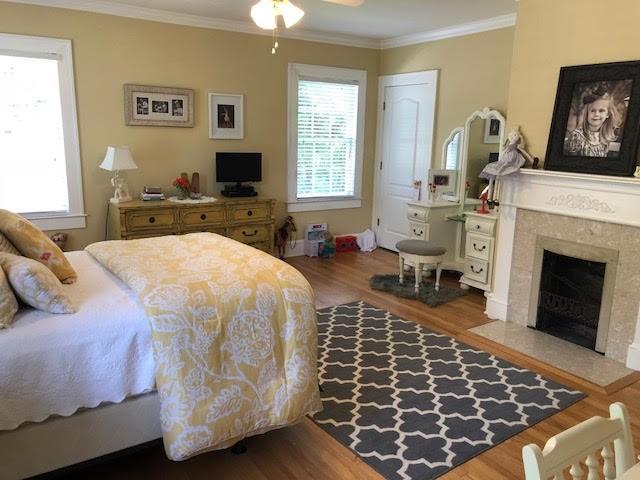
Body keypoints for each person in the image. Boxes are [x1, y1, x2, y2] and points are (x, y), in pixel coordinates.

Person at [564, 88, 618, 157]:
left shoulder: (604, 138)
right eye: (592, 110)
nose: (597, 114)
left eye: (601, 111)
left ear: (607, 114)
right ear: (587, 113)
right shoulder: (577, 136)